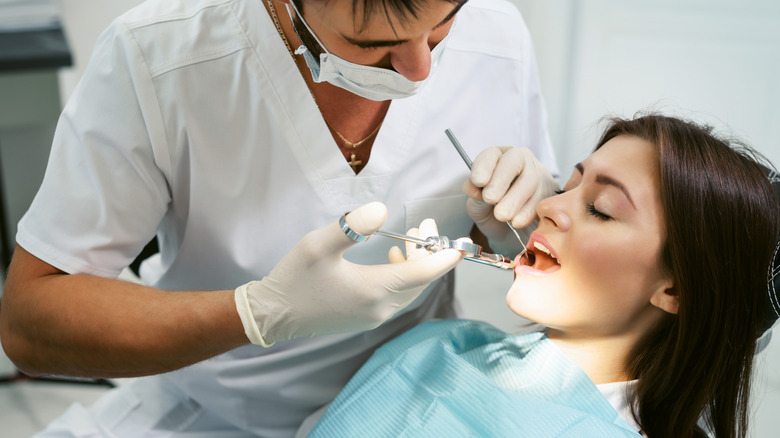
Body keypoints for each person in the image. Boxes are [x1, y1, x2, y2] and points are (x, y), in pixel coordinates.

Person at [0, 0, 559, 435]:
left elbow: (535, 256)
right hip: (212, 413)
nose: (421, 69)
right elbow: (28, 322)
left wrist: (512, 219)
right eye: (372, 42)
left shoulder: (498, 34)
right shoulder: (158, 55)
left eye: (444, 22)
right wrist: (258, 312)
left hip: (414, 402)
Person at [301, 114, 780, 438]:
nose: (548, 206)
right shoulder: (442, 345)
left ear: (677, 288)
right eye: (569, 185)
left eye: (600, 209)